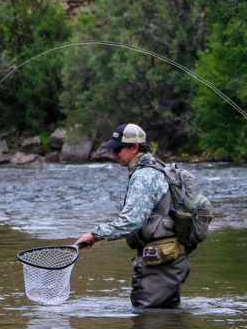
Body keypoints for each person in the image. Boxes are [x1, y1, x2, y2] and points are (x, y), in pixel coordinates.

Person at [75, 123, 190, 309]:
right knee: (165, 322)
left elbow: (132, 221)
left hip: (161, 263)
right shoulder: (157, 167)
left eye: (118, 149)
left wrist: (95, 235)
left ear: (134, 147)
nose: (114, 154)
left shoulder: (145, 175)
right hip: (168, 260)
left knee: (149, 325)